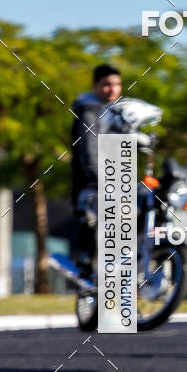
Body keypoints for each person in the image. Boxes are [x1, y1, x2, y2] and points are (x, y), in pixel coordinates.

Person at [71, 64, 122, 268]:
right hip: (93, 187)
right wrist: (103, 182)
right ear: (95, 86)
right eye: (107, 84)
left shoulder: (114, 113)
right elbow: (89, 153)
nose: (113, 89)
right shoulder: (90, 113)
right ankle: (89, 268)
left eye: (117, 84)